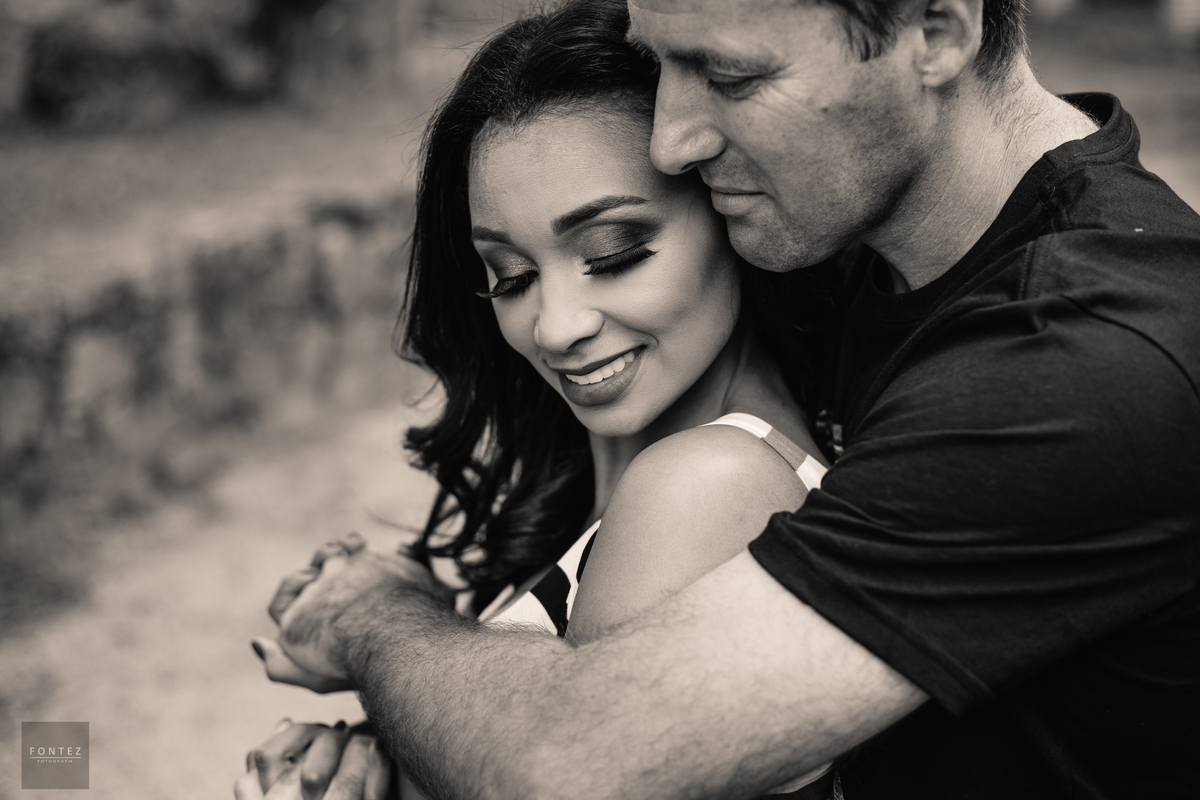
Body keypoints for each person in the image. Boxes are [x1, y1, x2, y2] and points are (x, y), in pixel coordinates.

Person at [250, 0, 1200, 797]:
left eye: (730, 74)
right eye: (661, 60)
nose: (672, 138)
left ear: (938, 29)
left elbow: (576, 761)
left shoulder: (1079, 357)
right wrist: (409, 754)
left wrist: (375, 619)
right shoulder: (860, 267)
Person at [238, 3, 843, 798]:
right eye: (511, 277)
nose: (555, 327)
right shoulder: (625, 469)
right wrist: (380, 761)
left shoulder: (709, 485)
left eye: (613, 253)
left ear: (726, 204)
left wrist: (380, 624)